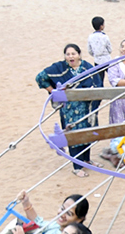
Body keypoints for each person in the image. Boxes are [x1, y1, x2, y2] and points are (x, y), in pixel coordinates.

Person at [36, 45, 98, 176]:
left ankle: (86, 160)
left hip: (86, 108)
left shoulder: (87, 68)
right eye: (68, 54)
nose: (70, 57)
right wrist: (53, 92)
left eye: (73, 54)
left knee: (87, 133)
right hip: (69, 110)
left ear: (79, 54)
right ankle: (77, 167)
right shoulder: (60, 68)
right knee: (73, 135)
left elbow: (98, 86)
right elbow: (40, 78)